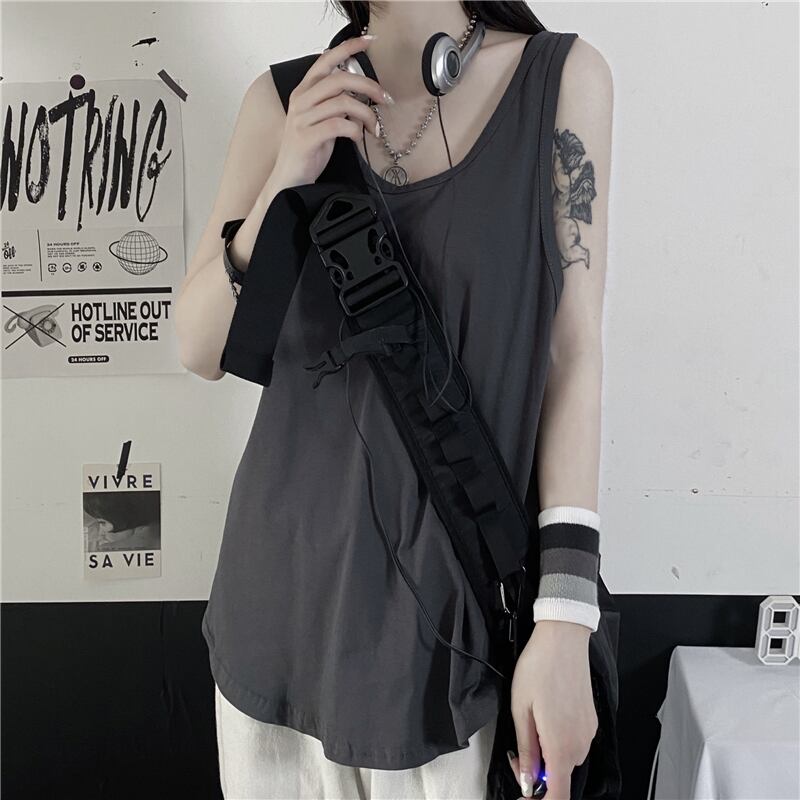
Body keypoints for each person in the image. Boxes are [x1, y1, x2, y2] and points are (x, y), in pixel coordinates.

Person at [175, 1, 613, 798]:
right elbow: (197, 349)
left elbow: (572, 354)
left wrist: (564, 621)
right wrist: (285, 176)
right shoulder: (283, 101)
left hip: (449, 640)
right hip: (278, 616)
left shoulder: (560, 81)